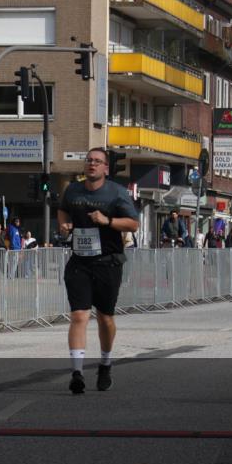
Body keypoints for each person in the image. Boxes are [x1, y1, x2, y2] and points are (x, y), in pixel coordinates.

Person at [57, 148, 139, 395]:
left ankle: (105, 363)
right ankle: (77, 373)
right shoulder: (73, 190)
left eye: (97, 161)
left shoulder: (117, 192)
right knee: (79, 316)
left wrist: (108, 221)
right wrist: (64, 224)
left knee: (105, 318)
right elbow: (63, 209)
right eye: (89, 160)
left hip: (107, 262)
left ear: (105, 168)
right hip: (80, 262)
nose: (92, 164)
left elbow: (133, 224)